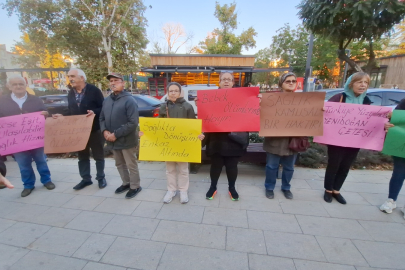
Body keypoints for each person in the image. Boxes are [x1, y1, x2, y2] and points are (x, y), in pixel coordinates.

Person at [141, 82, 204, 204]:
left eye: (176, 90)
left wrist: (199, 134)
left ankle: (183, 191)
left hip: (183, 144)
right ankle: (171, 190)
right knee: (169, 169)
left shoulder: (187, 106)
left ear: (180, 92)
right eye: (171, 91)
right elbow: (158, 125)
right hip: (168, 144)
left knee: (183, 169)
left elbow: (193, 124)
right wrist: (146, 133)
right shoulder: (164, 107)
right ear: (168, 93)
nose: (173, 93)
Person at [0, 75, 55, 197]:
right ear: (9, 87)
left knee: (41, 161)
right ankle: (28, 185)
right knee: (23, 164)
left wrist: (45, 114)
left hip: (36, 139)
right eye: (15, 84)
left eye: (21, 84)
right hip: (16, 142)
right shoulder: (2, 101)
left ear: (25, 85)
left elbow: (45, 112)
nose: (18, 86)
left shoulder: (35, 99)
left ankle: (47, 181)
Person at [53, 68, 107, 190]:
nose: (70, 79)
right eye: (69, 76)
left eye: (72, 76)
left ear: (81, 78)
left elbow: (103, 108)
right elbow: (71, 110)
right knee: (82, 156)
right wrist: (62, 116)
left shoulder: (94, 90)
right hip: (79, 131)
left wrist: (94, 112)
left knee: (98, 155)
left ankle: (101, 178)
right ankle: (86, 179)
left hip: (94, 130)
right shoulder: (71, 92)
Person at [323, 72, 371, 204]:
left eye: (365, 83)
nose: (362, 85)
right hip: (336, 140)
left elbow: (371, 120)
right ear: (351, 84)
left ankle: (336, 190)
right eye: (359, 82)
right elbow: (325, 114)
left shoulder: (366, 101)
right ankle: (328, 190)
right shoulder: (339, 97)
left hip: (354, 140)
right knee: (334, 164)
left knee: (345, 165)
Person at [200, 71, 248, 201]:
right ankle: (213, 187)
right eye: (223, 79)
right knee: (215, 166)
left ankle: (232, 188)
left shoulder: (242, 98)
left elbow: (249, 114)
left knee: (232, 167)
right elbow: (205, 117)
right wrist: (200, 103)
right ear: (219, 82)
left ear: (233, 82)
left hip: (234, 139)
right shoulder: (209, 98)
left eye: (229, 79)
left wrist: (256, 101)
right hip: (216, 140)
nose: (226, 81)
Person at [100, 73, 142, 199]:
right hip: (112, 140)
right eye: (111, 81)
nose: (113, 83)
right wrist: (105, 131)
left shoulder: (129, 100)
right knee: (119, 163)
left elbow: (133, 122)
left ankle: (135, 186)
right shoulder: (107, 100)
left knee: (131, 164)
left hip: (127, 139)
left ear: (123, 83)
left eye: (116, 80)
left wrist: (116, 134)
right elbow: (101, 118)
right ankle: (126, 183)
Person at [263, 72, 299, 200]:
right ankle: (269, 187)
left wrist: (319, 110)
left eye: (293, 81)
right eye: (287, 81)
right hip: (275, 139)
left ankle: (286, 188)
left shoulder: (303, 100)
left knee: (289, 168)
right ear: (281, 83)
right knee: (272, 166)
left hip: (293, 140)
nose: (291, 83)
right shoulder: (272, 99)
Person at [380, 99, 405, 217]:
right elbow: (395, 119)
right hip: (402, 144)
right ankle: (391, 200)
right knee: (398, 173)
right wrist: (388, 124)